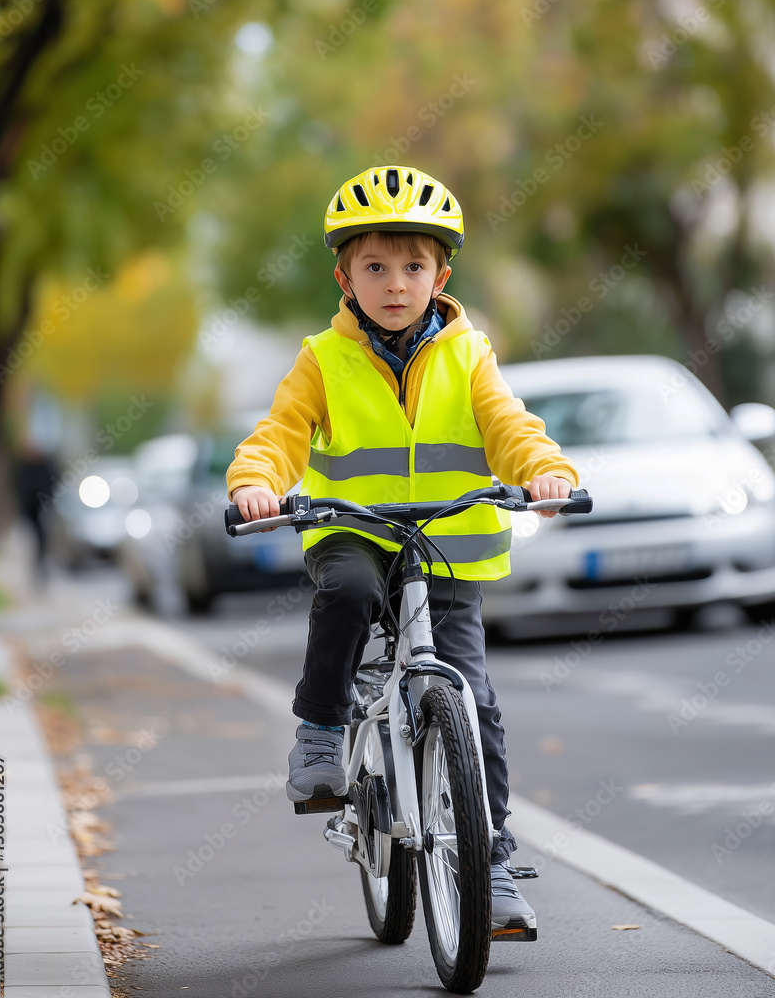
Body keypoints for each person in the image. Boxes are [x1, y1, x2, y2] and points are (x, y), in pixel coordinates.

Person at [226, 165, 578, 935]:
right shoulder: (323, 357)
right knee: (348, 593)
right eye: (375, 266)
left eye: (413, 266)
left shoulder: (469, 353)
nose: (395, 283)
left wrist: (545, 471)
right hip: (355, 534)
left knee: (475, 702)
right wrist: (257, 482)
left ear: (440, 275)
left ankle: (492, 862)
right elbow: (279, 434)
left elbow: (508, 426)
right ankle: (321, 731)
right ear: (345, 275)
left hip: (447, 546)